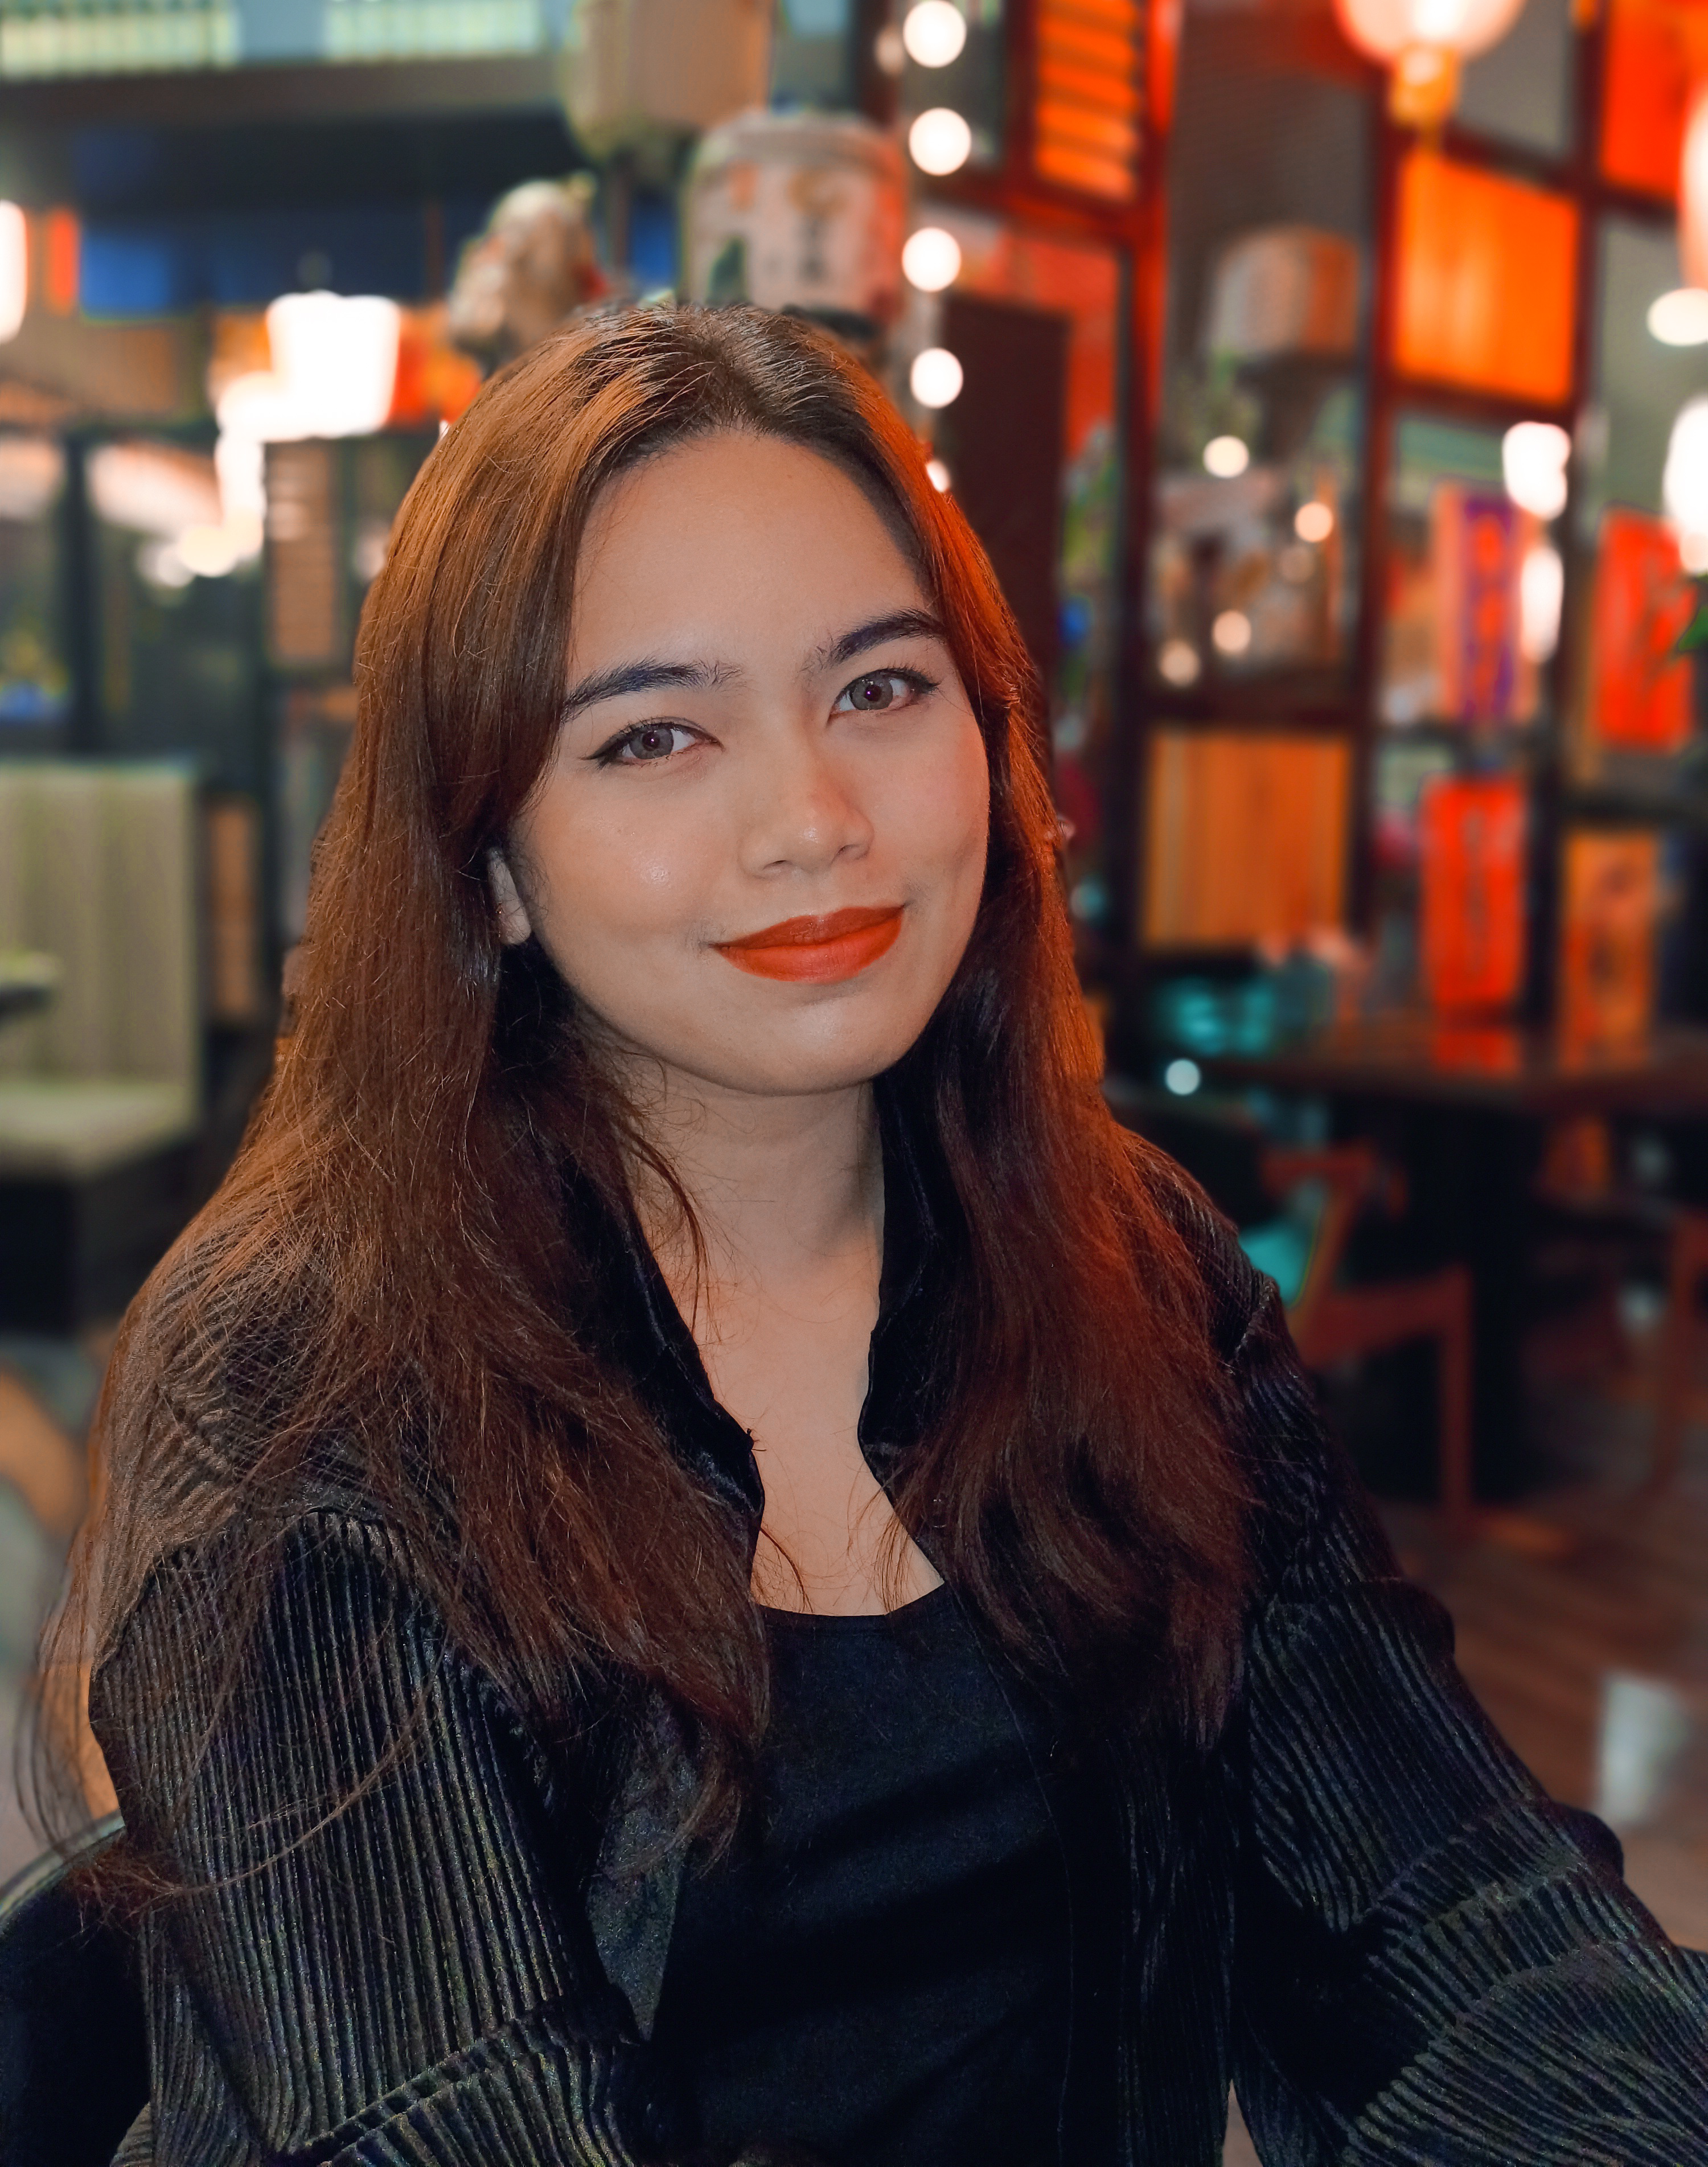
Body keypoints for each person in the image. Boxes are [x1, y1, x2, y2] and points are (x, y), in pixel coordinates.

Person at [41, 306, 1707, 2167]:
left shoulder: (1131, 1270)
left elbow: (1466, 1904)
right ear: (489, 861)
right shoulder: (302, 1380)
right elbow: (449, 2116)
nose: (814, 820)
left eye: (881, 690)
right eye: (655, 735)